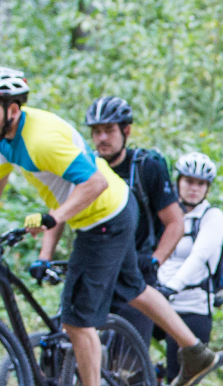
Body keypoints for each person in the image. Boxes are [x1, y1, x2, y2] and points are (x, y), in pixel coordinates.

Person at [0, 67, 216, 386]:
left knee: (76, 319)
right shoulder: (3, 141)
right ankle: (194, 350)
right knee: (133, 288)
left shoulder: (42, 139)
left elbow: (95, 183)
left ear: (13, 109)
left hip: (104, 216)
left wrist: (54, 218)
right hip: (111, 210)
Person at [77, 95, 183, 342]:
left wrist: (155, 261)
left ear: (126, 131)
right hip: (95, 267)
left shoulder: (148, 167)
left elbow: (175, 222)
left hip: (137, 269)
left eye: (109, 131)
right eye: (96, 131)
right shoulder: (84, 167)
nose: (102, 138)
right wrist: (45, 257)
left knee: (127, 363)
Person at [154, 152, 223, 386]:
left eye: (200, 183)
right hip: (160, 302)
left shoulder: (213, 218)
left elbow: (198, 258)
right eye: (189, 181)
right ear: (178, 182)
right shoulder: (165, 215)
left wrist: (173, 286)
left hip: (192, 306)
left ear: (207, 187)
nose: (194, 188)